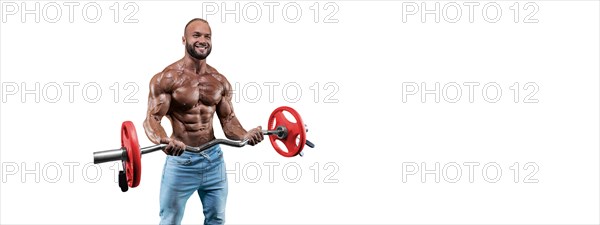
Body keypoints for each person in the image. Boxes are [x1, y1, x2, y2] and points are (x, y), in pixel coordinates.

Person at [143, 18, 264, 225]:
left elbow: (229, 121)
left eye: (207, 36)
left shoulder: (219, 80)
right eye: (196, 35)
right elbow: (151, 120)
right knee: (170, 219)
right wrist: (163, 141)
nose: (203, 40)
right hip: (182, 160)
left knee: (216, 219)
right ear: (184, 39)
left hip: (213, 160)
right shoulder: (166, 78)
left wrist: (245, 135)